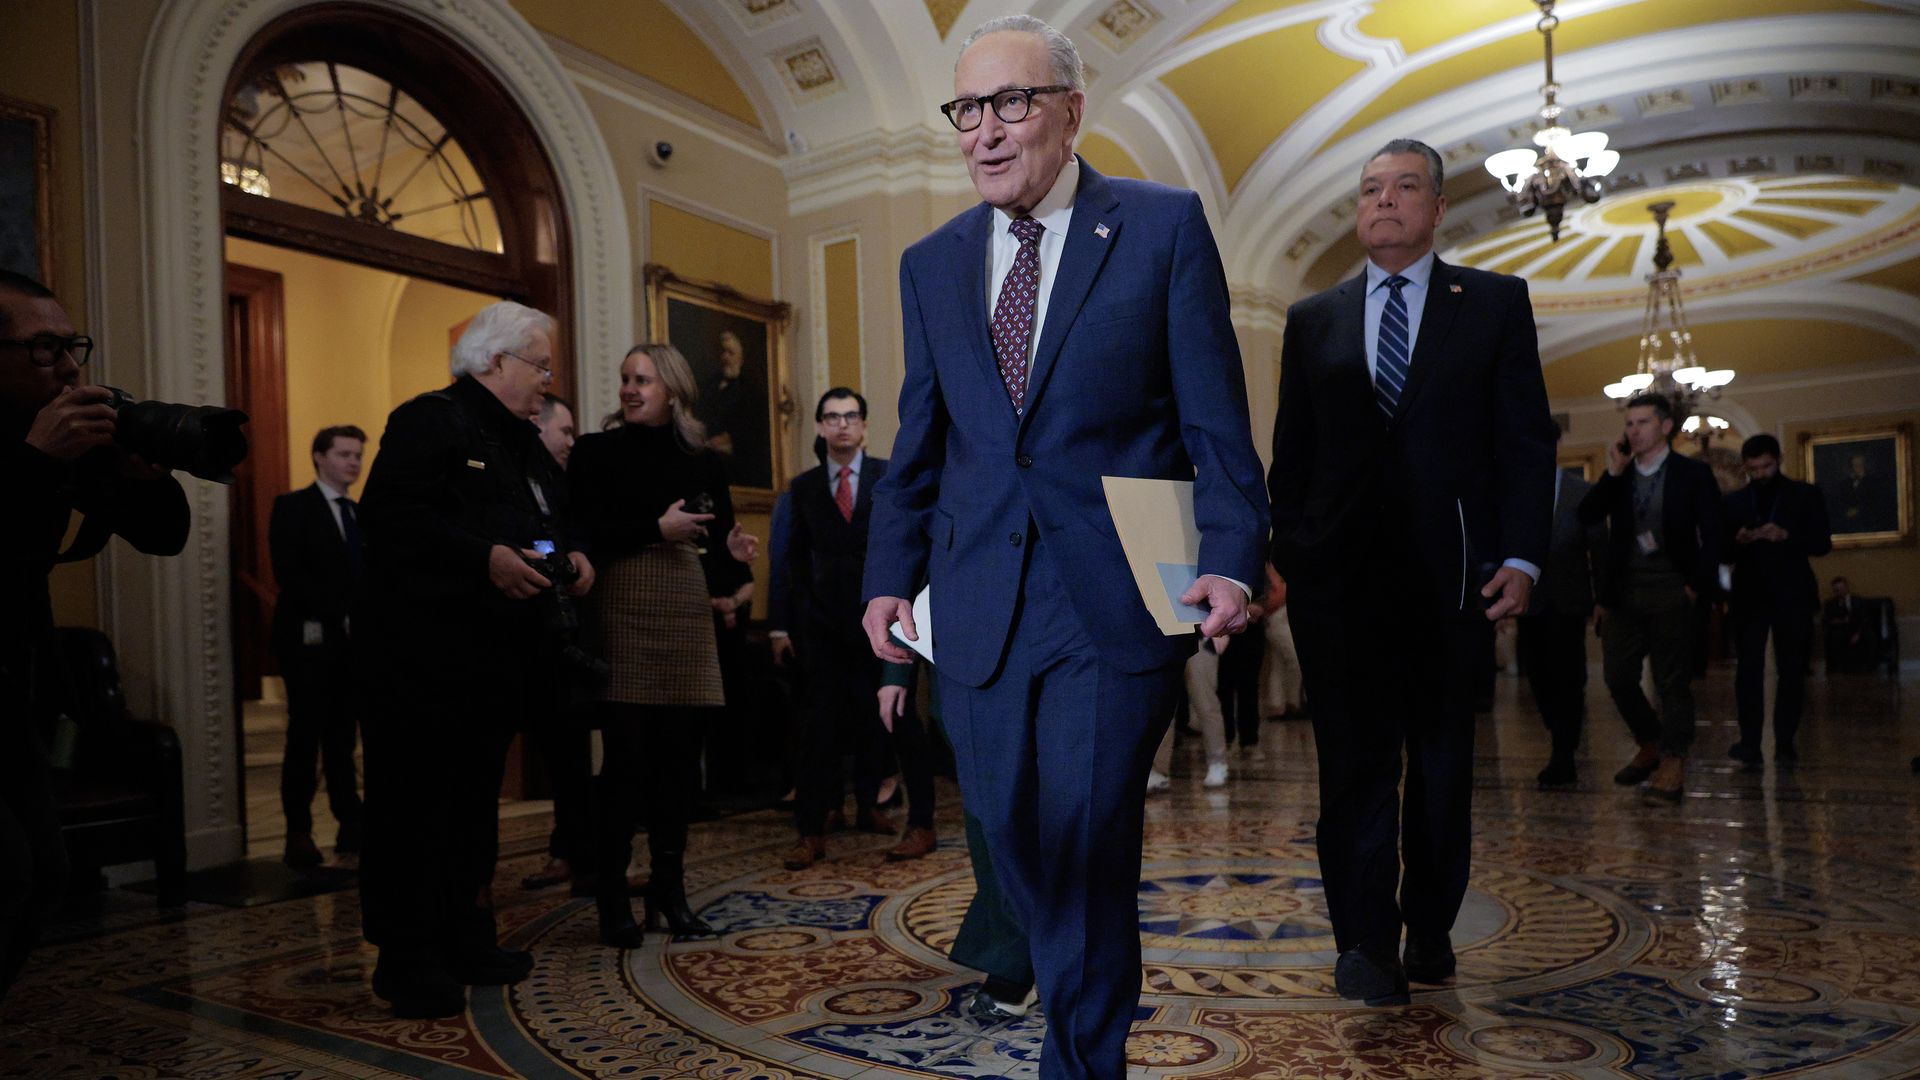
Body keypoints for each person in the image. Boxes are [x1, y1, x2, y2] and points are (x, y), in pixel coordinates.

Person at [861, 17, 1268, 1077]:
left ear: (1071, 112)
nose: (984, 133)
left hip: (1112, 591)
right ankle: (1070, 987)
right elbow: (922, 436)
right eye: (966, 110)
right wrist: (885, 578)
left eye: (1011, 104)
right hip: (977, 596)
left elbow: (1216, 421)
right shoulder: (931, 264)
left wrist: (1227, 557)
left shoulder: (1160, 227)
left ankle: (1080, 1058)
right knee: (1006, 832)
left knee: (1088, 842)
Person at [1268, 138, 1556, 1006]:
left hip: (1452, 580)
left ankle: (1430, 924)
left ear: (1435, 210)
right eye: (1369, 190)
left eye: (1403, 188)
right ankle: (1363, 941)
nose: (1383, 201)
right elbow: (1294, 455)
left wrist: (1522, 555)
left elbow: (1524, 437)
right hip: (1339, 588)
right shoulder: (1312, 319)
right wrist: (1291, 555)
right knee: (1352, 767)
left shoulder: (1495, 304)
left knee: (1438, 767)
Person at [356, 300, 594, 1018]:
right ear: (494, 362)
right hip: (419, 663)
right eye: (540, 366)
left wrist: (572, 554)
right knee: (413, 813)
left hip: (492, 661)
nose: (548, 382)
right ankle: (408, 960)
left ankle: (466, 938)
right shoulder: (428, 420)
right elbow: (392, 523)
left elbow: (545, 516)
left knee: (470, 811)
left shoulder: (517, 437)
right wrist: (482, 560)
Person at [1, 271, 188, 1000]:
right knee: (6, 873)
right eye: (45, 348)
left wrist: (140, 473)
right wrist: (34, 462)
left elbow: (165, 535)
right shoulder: (35, 447)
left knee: (45, 872)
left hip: (15, 696)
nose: (71, 366)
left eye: (70, 344)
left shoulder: (62, 437)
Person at [569, 343, 756, 948]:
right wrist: (655, 529)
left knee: (679, 763)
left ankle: (668, 895)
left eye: (642, 380)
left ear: (671, 390)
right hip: (623, 605)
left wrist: (733, 557)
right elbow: (581, 534)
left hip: (684, 608)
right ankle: (612, 899)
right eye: (625, 379)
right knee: (625, 761)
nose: (629, 389)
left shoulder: (702, 460)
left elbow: (716, 551)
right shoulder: (595, 453)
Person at [783, 388, 933, 870]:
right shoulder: (803, 488)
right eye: (832, 417)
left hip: (887, 622)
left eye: (850, 416)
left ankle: (920, 823)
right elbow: (790, 561)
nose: (842, 425)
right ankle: (809, 831)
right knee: (818, 729)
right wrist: (787, 625)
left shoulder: (889, 476)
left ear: (864, 425)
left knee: (900, 720)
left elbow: (911, 546)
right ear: (821, 427)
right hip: (826, 626)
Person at [1578, 391, 1723, 805]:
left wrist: (1695, 586)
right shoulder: (1622, 475)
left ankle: (1673, 761)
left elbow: (1713, 534)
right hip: (1624, 593)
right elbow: (1587, 515)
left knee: (1671, 682)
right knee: (1618, 677)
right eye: (1629, 423)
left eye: (1642, 423)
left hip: (1672, 590)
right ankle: (1651, 741)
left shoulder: (1691, 475)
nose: (1633, 431)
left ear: (1665, 426)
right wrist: (1612, 473)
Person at [268, 425, 368, 868]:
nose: (354, 462)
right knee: (305, 737)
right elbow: (291, 573)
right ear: (319, 457)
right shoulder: (293, 507)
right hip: (309, 644)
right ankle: (298, 831)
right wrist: (339, 613)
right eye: (345, 454)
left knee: (343, 739)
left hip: (352, 647)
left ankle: (351, 824)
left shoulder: (361, 514)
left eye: (358, 455)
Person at [521, 394, 596, 892]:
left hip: (565, 633)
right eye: (564, 431)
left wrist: (578, 555)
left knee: (571, 756)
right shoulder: (513, 477)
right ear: (538, 426)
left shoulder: (562, 483)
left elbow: (571, 533)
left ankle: (578, 855)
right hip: (520, 633)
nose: (572, 442)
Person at [1724, 433, 1832, 767]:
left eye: (1767, 467)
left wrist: (1786, 535)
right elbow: (1721, 552)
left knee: (1792, 671)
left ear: (1779, 459)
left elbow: (1822, 544)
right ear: (1745, 466)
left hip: (1793, 594)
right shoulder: (1734, 502)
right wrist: (1739, 540)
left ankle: (1785, 742)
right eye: (1753, 469)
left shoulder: (1804, 495)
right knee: (1748, 672)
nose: (1761, 475)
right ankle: (1750, 744)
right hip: (1748, 596)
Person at [1518, 453, 1606, 790]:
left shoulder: (1581, 491)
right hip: (1531, 602)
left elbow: (1599, 547)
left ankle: (1563, 753)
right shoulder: (1519, 490)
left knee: (1568, 679)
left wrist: (1602, 598)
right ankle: (1559, 734)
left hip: (1568, 602)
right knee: (1538, 678)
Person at [1823, 576, 1872, 673]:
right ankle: (1841, 667)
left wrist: (1858, 634)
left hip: (1858, 629)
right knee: (1835, 637)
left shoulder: (1858, 601)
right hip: (1840, 630)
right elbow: (1826, 620)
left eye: (1842, 588)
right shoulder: (1830, 604)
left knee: (1869, 636)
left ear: (1847, 587)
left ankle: (1867, 667)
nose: (1840, 592)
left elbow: (1864, 619)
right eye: (1837, 590)